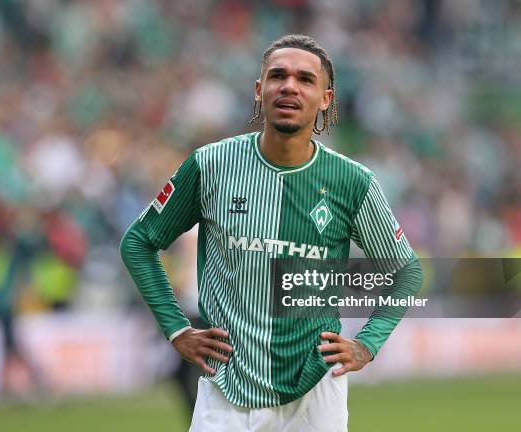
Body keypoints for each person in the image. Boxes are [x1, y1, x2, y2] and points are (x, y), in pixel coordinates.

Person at [120, 34, 423, 431]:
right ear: (259, 90)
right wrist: (177, 329)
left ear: (326, 99)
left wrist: (368, 343)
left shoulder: (352, 182)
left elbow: (407, 271)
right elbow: (139, 242)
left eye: (305, 79)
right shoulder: (211, 165)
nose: (289, 86)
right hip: (226, 388)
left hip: (316, 391)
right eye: (278, 75)